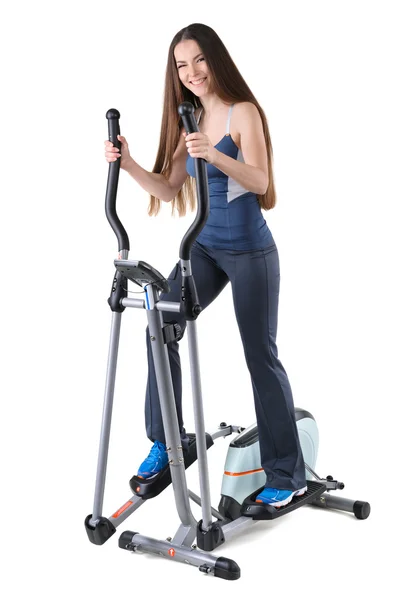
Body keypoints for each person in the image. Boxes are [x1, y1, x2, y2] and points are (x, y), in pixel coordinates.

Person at [104, 23, 307, 508]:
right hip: (204, 248)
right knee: (160, 324)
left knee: (260, 355)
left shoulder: (244, 113)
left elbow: (259, 180)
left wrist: (214, 154)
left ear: (214, 59)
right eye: (181, 65)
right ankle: (170, 440)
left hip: (251, 251)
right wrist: (129, 164)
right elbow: (169, 188)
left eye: (198, 60)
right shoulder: (189, 116)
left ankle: (288, 473)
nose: (191, 72)